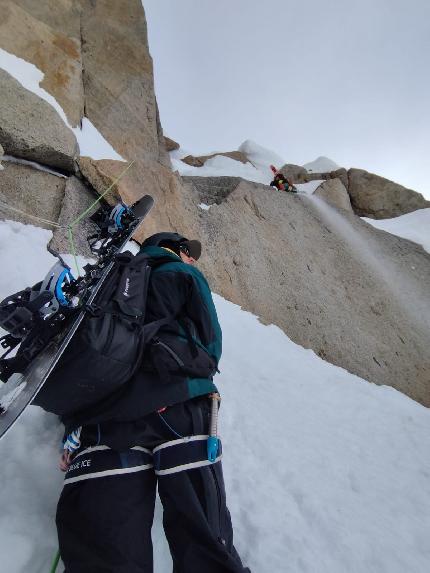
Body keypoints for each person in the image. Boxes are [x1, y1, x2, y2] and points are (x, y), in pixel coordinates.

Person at [56, 232, 250, 573]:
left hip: (105, 420)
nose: (192, 259)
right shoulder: (182, 272)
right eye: (189, 253)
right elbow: (209, 345)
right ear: (178, 250)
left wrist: (75, 424)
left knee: (104, 551)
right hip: (178, 407)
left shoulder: (110, 279)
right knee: (204, 541)